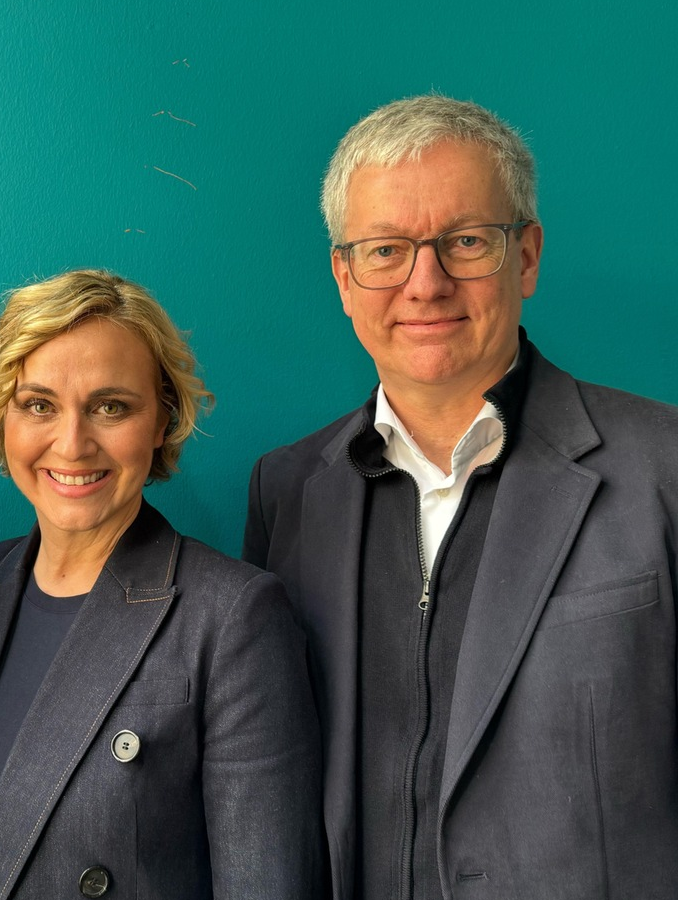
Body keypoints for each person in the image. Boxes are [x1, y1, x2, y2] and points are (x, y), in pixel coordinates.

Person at [244, 95, 678, 899]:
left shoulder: (665, 467)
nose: (426, 283)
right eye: (386, 250)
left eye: (467, 241)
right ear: (344, 278)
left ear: (527, 257)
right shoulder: (287, 492)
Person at [0, 270, 323, 900]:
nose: (72, 444)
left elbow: (266, 883)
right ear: (2, 417)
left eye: (111, 407)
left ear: (162, 421)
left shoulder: (232, 616)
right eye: (39, 404)